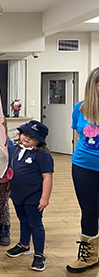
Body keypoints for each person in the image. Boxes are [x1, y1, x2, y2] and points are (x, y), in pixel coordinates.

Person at [5, 120, 53, 272]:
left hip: (34, 197)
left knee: (35, 224)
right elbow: (11, 169)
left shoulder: (42, 156)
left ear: (39, 140)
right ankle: (24, 245)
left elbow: (47, 177)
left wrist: (45, 197)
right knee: (23, 220)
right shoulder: (13, 150)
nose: (26, 138)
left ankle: (39, 254)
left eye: (31, 137)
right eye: (25, 133)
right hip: (17, 194)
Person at [66, 67, 99, 274]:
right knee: (89, 211)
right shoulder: (80, 108)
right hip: (83, 167)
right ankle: (90, 255)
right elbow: (79, 139)